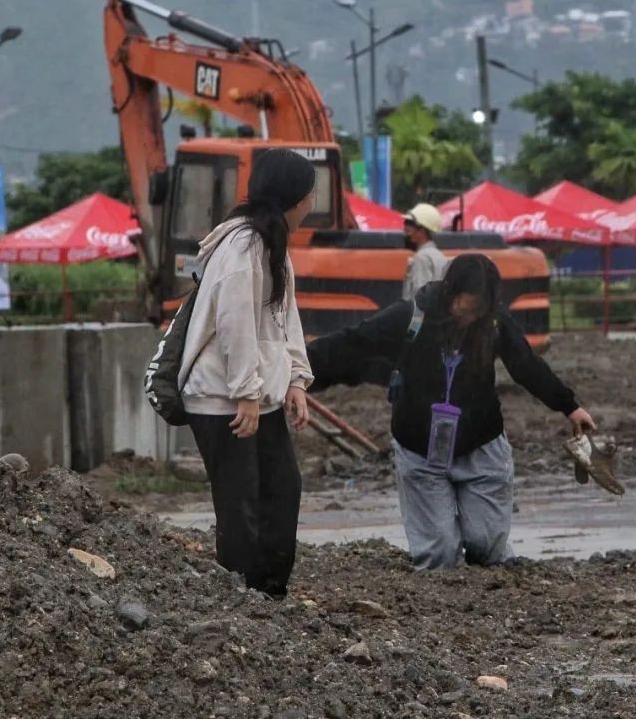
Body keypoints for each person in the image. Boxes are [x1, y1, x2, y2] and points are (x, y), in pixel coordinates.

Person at [308, 253, 596, 570]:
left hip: (480, 445)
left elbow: (526, 365)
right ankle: (442, 546)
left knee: (487, 550)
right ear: (450, 292)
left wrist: (569, 406)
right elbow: (351, 344)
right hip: (419, 449)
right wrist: (295, 369)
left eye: (479, 311)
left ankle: (482, 541)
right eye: (466, 308)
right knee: (438, 556)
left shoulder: (494, 322)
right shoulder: (410, 318)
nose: (470, 318)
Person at [178, 148, 315, 597]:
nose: (311, 206)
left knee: (282, 489)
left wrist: (296, 378)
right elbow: (234, 322)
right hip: (224, 398)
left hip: (256, 393)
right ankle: (241, 598)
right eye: (309, 196)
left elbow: (282, 319)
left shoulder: (272, 244)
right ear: (293, 198)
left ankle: (269, 593)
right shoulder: (242, 246)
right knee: (241, 503)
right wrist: (247, 394)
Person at [401, 202, 449, 301]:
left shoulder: (422, 258)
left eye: (409, 224)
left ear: (422, 230)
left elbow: (420, 299)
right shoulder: (439, 256)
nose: (405, 231)